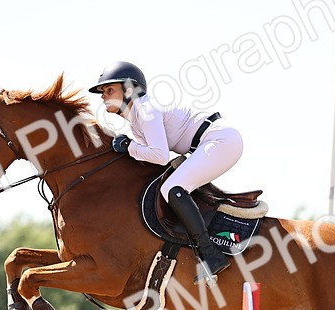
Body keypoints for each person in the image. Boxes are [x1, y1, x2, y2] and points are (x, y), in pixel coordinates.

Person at [89, 61, 242, 284]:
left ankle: (210, 254)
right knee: (171, 185)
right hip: (212, 142)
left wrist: (129, 147)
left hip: (220, 140)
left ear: (129, 90)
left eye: (109, 90)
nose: (103, 96)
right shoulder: (135, 120)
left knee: (173, 187)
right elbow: (151, 160)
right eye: (103, 92)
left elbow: (159, 155)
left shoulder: (145, 110)